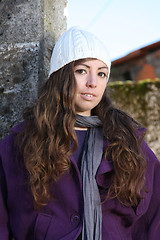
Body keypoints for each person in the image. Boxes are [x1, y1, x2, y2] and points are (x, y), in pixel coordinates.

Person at [0, 26, 160, 240]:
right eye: (82, 71)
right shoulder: (18, 145)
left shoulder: (128, 142)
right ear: (61, 75)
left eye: (101, 73)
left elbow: (155, 214)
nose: (93, 82)